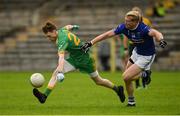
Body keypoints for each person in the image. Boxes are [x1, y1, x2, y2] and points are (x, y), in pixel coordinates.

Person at [81, 11, 167, 106]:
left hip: (146, 56)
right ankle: (131, 101)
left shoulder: (143, 29)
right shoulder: (124, 27)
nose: (125, 23)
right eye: (125, 21)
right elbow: (107, 34)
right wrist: (90, 43)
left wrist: (161, 40)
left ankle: (144, 74)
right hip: (136, 52)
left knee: (125, 76)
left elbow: (156, 33)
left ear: (135, 22)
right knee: (127, 79)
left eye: (128, 21)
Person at [32, 22, 125, 104]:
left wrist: (61, 72)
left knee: (98, 81)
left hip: (86, 60)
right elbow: (68, 26)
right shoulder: (62, 30)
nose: (49, 38)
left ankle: (117, 89)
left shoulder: (62, 40)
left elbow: (61, 57)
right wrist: (74, 26)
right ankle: (44, 96)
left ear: (54, 31)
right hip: (74, 59)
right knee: (54, 73)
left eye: (49, 36)